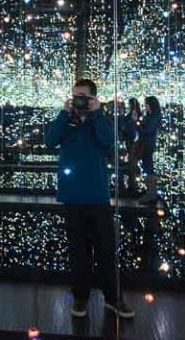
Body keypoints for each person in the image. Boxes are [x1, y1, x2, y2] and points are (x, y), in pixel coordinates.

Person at [44, 78, 134, 319]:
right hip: (72, 197)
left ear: (94, 98)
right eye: (76, 96)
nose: (79, 100)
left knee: (106, 250)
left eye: (84, 96)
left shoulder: (100, 121)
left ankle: (113, 299)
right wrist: (64, 113)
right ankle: (80, 298)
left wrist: (96, 114)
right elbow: (49, 141)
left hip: (97, 197)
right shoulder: (67, 122)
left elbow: (108, 141)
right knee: (78, 252)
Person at [136, 96, 161, 204]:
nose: (144, 106)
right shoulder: (151, 116)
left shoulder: (153, 117)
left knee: (148, 167)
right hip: (147, 144)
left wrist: (138, 125)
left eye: (146, 104)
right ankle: (150, 192)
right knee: (147, 167)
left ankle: (151, 193)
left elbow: (147, 130)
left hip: (148, 144)